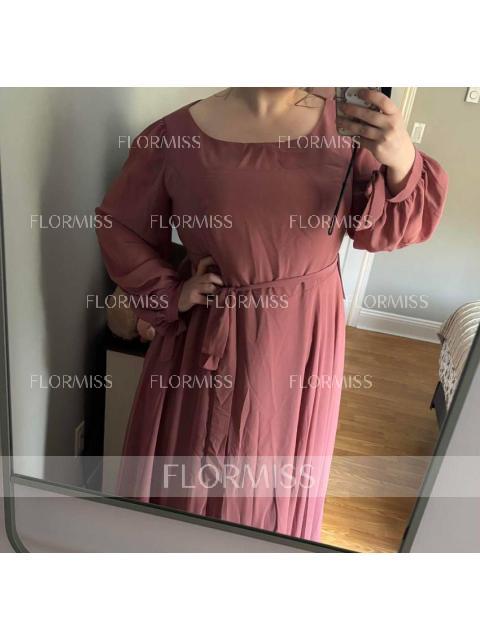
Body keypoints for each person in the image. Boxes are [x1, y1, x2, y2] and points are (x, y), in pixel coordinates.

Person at [95, 88, 448, 542]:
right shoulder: (174, 137)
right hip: (208, 337)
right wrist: (171, 293)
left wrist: (400, 158)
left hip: (303, 338)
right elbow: (121, 227)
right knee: (195, 478)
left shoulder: (345, 128)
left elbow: (386, 230)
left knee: (281, 476)